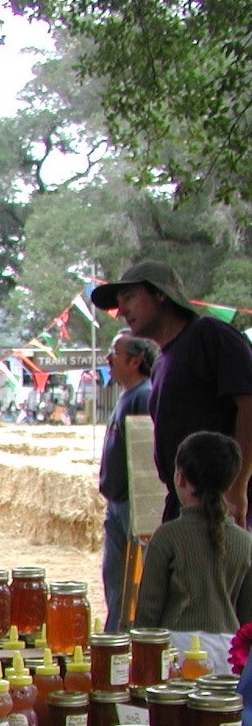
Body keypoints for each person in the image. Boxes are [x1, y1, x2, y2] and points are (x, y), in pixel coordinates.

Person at [93, 260, 252, 523]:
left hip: (221, 504)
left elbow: (249, 403)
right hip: (183, 505)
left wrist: (237, 486)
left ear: (160, 294)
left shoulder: (209, 336)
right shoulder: (162, 362)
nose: (121, 311)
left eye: (130, 297)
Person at [134, 431, 252, 674]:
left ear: (180, 478)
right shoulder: (246, 541)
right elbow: (247, 617)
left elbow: (148, 611)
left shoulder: (167, 536)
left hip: (176, 653)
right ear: (230, 482)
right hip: (229, 655)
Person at [98, 332, 159, 630]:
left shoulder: (144, 396)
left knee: (132, 583)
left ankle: (126, 638)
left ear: (135, 361)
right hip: (118, 503)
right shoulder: (127, 395)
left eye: (114, 353)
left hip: (132, 504)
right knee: (115, 581)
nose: (108, 360)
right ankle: (115, 635)